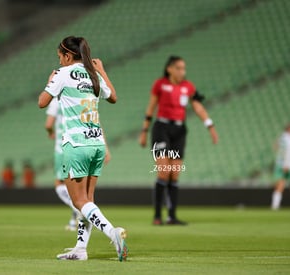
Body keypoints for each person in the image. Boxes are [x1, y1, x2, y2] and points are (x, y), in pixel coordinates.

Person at [38, 36, 128, 261]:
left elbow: (42, 102)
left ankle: (113, 233)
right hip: (97, 143)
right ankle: (80, 248)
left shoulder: (62, 74)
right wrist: (102, 70)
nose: (59, 61)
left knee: (79, 201)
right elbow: (113, 97)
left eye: (60, 57)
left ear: (68, 55)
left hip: (76, 145)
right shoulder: (93, 73)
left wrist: (50, 80)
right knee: (87, 201)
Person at [138, 55, 218, 226]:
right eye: (179, 68)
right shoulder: (160, 84)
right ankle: (158, 215)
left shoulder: (188, 87)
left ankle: (172, 216)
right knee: (163, 172)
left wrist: (210, 126)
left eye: (184, 68)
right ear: (170, 69)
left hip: (180, 130)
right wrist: (144, 131)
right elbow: (151, 107)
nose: (183, 71)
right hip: (162, 128)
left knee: (174, 174)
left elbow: (197, 106)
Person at [45, 98, 80, 231]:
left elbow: (48, 124)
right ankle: (74, 220)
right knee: (76, 185)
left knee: (60, 184)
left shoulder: (56, 101)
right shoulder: (74, 97)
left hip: (62, 148)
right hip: (77, 145)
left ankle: (81, 210)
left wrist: (51, 133)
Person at [271, 123, 290, 210]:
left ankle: (275, 205)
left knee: (279, 185)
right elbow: (287, 153)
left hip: (279, 163)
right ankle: (275, 206)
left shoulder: (282, 137)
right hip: (285, 164)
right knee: (281, 185)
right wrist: (286, 165)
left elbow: (275, 147)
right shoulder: (287, 139)